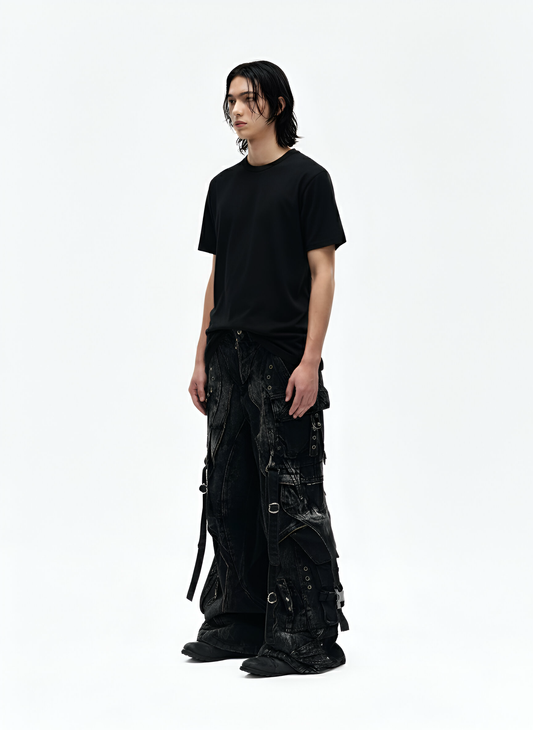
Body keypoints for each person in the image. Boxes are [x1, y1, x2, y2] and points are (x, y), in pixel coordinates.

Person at [182, 60, 349, 677]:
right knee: (228, 491)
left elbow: (323, 273)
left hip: (282, 356)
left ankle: (305, 636)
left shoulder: (308, 180)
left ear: (277, 104)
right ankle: (238, 619)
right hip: (227, 355)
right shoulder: (222, 187)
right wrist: (201, 354)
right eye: (230, 100)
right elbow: (218, 276)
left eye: (248, 98)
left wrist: (310, 360)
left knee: (290, 493)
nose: (237, 110)